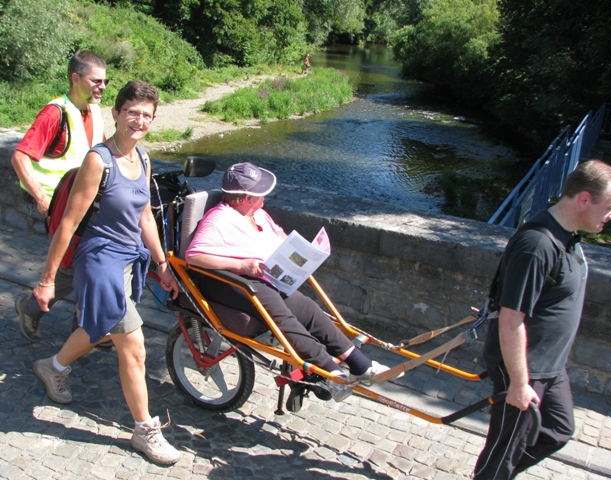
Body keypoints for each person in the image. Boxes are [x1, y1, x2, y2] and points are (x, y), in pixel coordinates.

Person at [31, 81, 181, 465]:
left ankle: (53, 366)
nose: (139, 120)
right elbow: (68, 224)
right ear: (115, 113)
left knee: (98, 328)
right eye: (132, 111)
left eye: (147, 114)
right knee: (132, 343)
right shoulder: (99, 160)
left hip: (130, 260)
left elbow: (144, 215)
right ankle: (144, 430)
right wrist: (47, 281)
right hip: (99, 262)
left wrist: (162, 264)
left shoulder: (143, 158)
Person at [185, 162, 394, 401]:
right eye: (259, 196)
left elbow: (279, 235)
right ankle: (330, 373)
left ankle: (359, 364)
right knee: (281, 314)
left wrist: (301, 251)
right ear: (244, 198)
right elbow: (194, 256)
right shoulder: (218, 221)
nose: (263, 200)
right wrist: (241, 265)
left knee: (307, 307)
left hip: (264, 276)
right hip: (230, 280)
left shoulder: (257, 213)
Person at [474, 160, 611, 479]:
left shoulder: (568, 236)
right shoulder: (538, 245)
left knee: (557, 429)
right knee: (505, 448)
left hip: (550, 365)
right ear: (584, 199)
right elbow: (510, 318)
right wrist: (519, 383)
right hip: (526, 369)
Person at [12, 50, 109, 344]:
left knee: (86, 262)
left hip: (86, 202)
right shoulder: (55, 112)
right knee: (72, 265)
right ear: (75, 78)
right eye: (96, 81)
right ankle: (34, 309)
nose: (102, 87)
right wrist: (41, 196)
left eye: (105, 81)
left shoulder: (94, 111)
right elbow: (20, 157)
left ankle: (81, 330)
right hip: (60, 205)